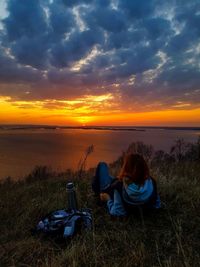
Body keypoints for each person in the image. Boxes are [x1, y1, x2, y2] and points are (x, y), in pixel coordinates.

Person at [92, 153, 161, 217]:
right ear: (144, 168)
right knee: (113, 179)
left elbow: (117, 212)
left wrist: (108, 199)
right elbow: (157, 205)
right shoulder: (151, 182)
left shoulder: (120, 186)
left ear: (126, 168)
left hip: (108, 190)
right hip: (120, 184)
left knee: (102, 165)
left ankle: (97, 193)